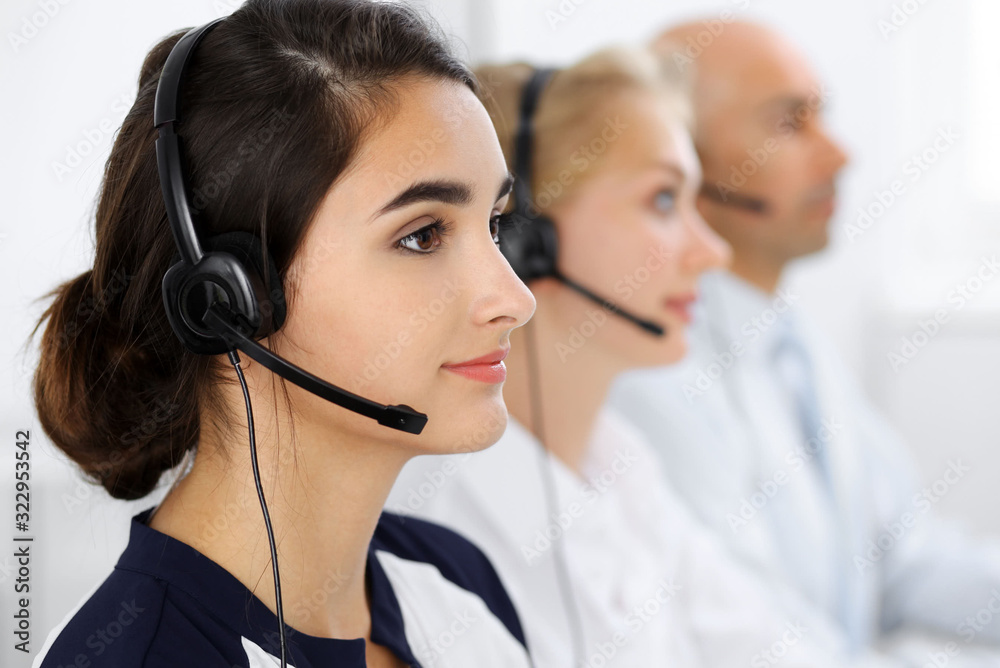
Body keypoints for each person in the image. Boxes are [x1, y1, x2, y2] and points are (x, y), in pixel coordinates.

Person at [29, 1, 538, 666]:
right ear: (230, 300)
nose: (516, 299)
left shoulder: (455, 576)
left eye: (494, 223)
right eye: (422, 235)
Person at [387, 46, 886, 668]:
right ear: (524, 235)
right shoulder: (434, 518)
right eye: (663, 200)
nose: (712, 252)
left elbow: (772, 650)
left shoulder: (622, 465)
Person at [608, 20, 1000, 664]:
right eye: (789, 123)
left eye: (822, 116)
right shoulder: (651, 375)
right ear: (680, 161)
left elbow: (907, 560)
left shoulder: (795, 343)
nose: (839, 156)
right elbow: (765, 648)